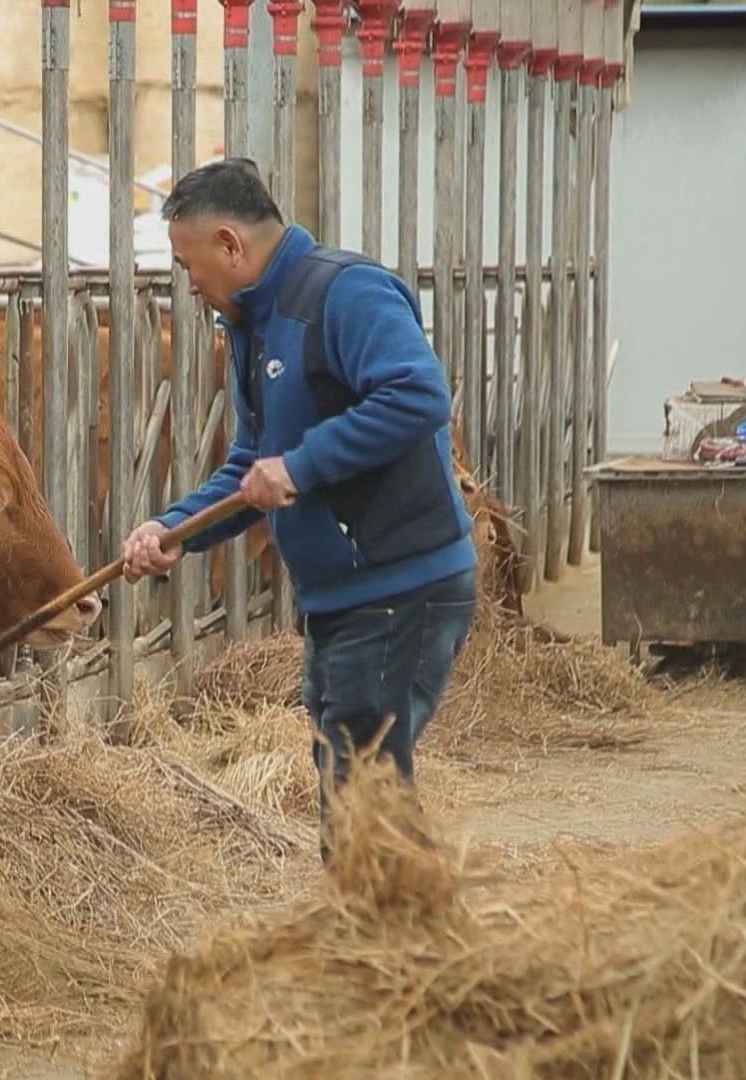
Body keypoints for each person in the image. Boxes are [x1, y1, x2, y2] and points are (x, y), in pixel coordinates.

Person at [120, 158, 476, 855]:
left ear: (230, 244)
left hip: (402, 587)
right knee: (355, 789)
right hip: (342, 597)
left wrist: (303, 465)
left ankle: (391, 948)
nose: (190, 285)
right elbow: (253, 470)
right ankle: (392, 943)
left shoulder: (344, 293)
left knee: (361, 799)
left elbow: (417, 396)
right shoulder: (255, 328)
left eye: (189, 265)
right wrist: (173, 530)